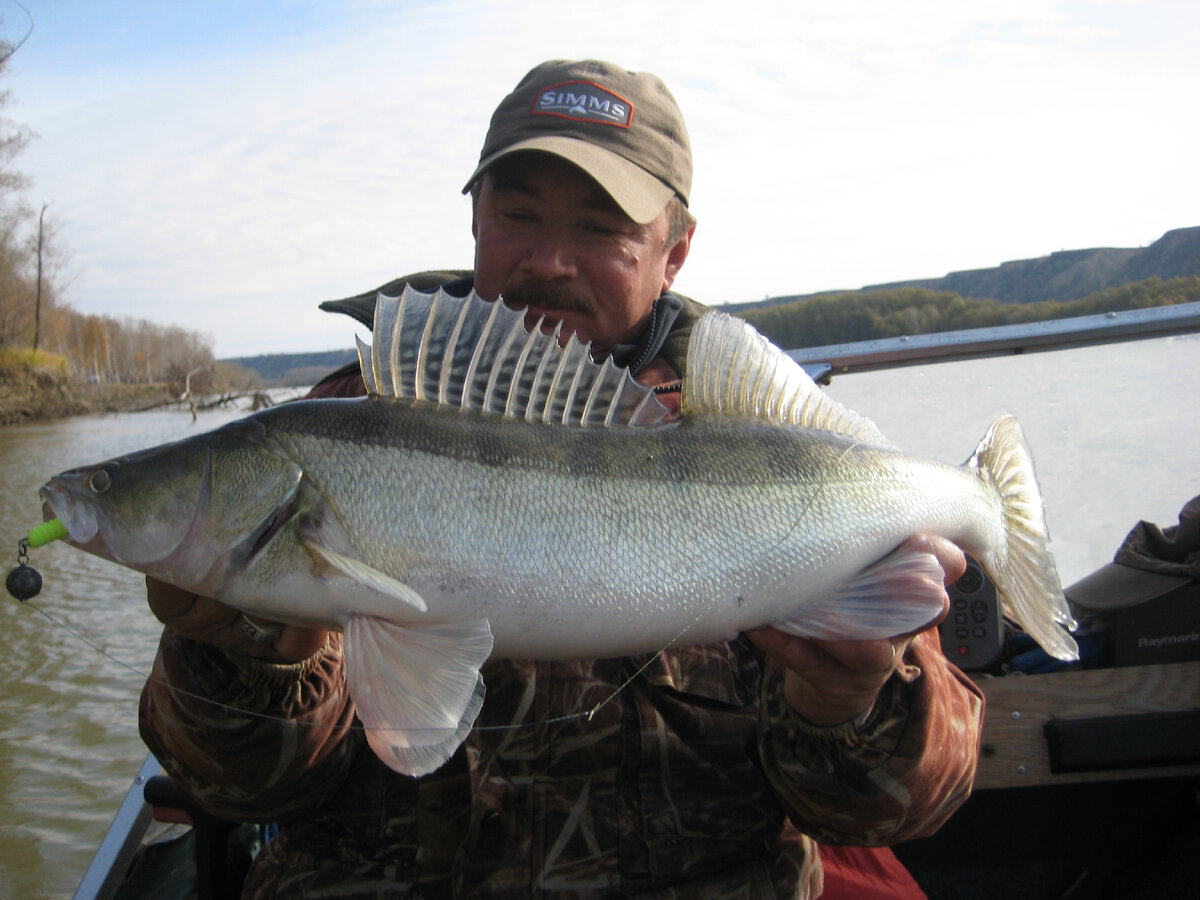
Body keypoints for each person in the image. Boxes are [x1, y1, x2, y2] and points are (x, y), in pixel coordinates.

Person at [139, 59, 984, 899]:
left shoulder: (760, 448)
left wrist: (847, 700)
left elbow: (896, 809)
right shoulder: (337, 430)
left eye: (601, 227)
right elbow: (238, 788)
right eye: (517, 214)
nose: (548, 259)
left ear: (674, 252)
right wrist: (244, 670)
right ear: (474, 220)